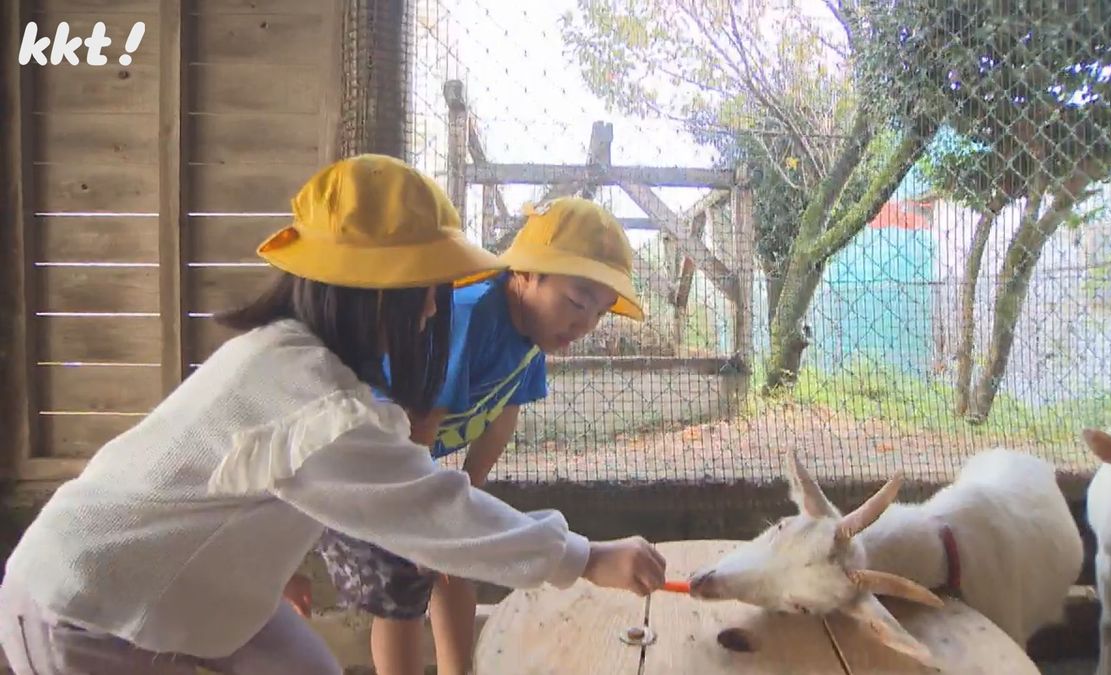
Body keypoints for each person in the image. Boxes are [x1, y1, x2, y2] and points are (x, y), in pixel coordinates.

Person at [0, 154, 667, 675]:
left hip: (178, 585)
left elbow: (228, 487)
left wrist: (268, 564)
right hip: (87, 607)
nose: (435, 311)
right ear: (373, 295)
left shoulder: (289, 356)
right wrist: (585, 556)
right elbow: (434, 511)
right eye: (424, 295)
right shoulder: (317, 402)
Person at [286, 197, 647, 675]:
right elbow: (422, 418)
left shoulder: (535, 338)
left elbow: (504, 416)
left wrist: (466, 497)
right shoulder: (474, 313)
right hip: (364, 461)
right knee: (403, 583)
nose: (584, 325)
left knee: (461, 560)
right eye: (577, 301)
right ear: (525, 273)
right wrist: (420, 519)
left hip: (408, 462)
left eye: (600, 312)